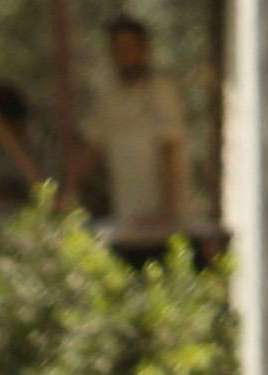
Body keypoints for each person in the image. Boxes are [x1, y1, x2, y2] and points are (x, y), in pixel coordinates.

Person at [81, 15, 192, 257]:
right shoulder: (107, 95)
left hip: (163, 224)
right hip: (125, 222)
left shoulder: (161, 90)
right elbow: (89, 148)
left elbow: (169, 148)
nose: (123, 55)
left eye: (129, 47)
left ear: (144, 49)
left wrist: (167, 212)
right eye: (117, 49)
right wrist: (69, 196)